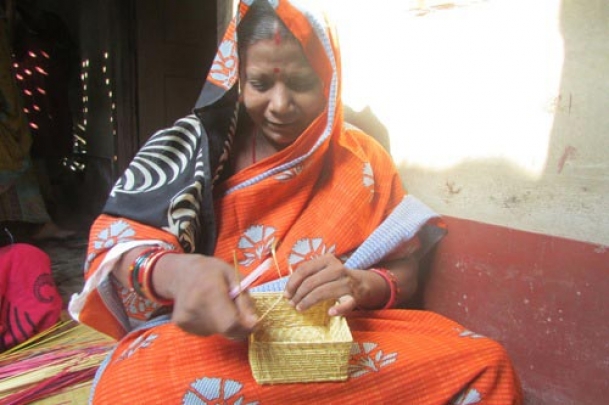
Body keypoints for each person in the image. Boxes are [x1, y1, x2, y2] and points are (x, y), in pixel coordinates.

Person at [69, 1, 523, 403]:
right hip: (218, 351)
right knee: (129, 392)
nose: (280, 104)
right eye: (260, 83)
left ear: (330, 80)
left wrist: (359, 284)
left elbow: (406, 274)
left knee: (485, 363)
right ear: (236, 77)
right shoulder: (192, 146)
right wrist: (177, 273)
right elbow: (118, 245)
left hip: (337, 346)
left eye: (301, 83)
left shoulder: (362, 158)